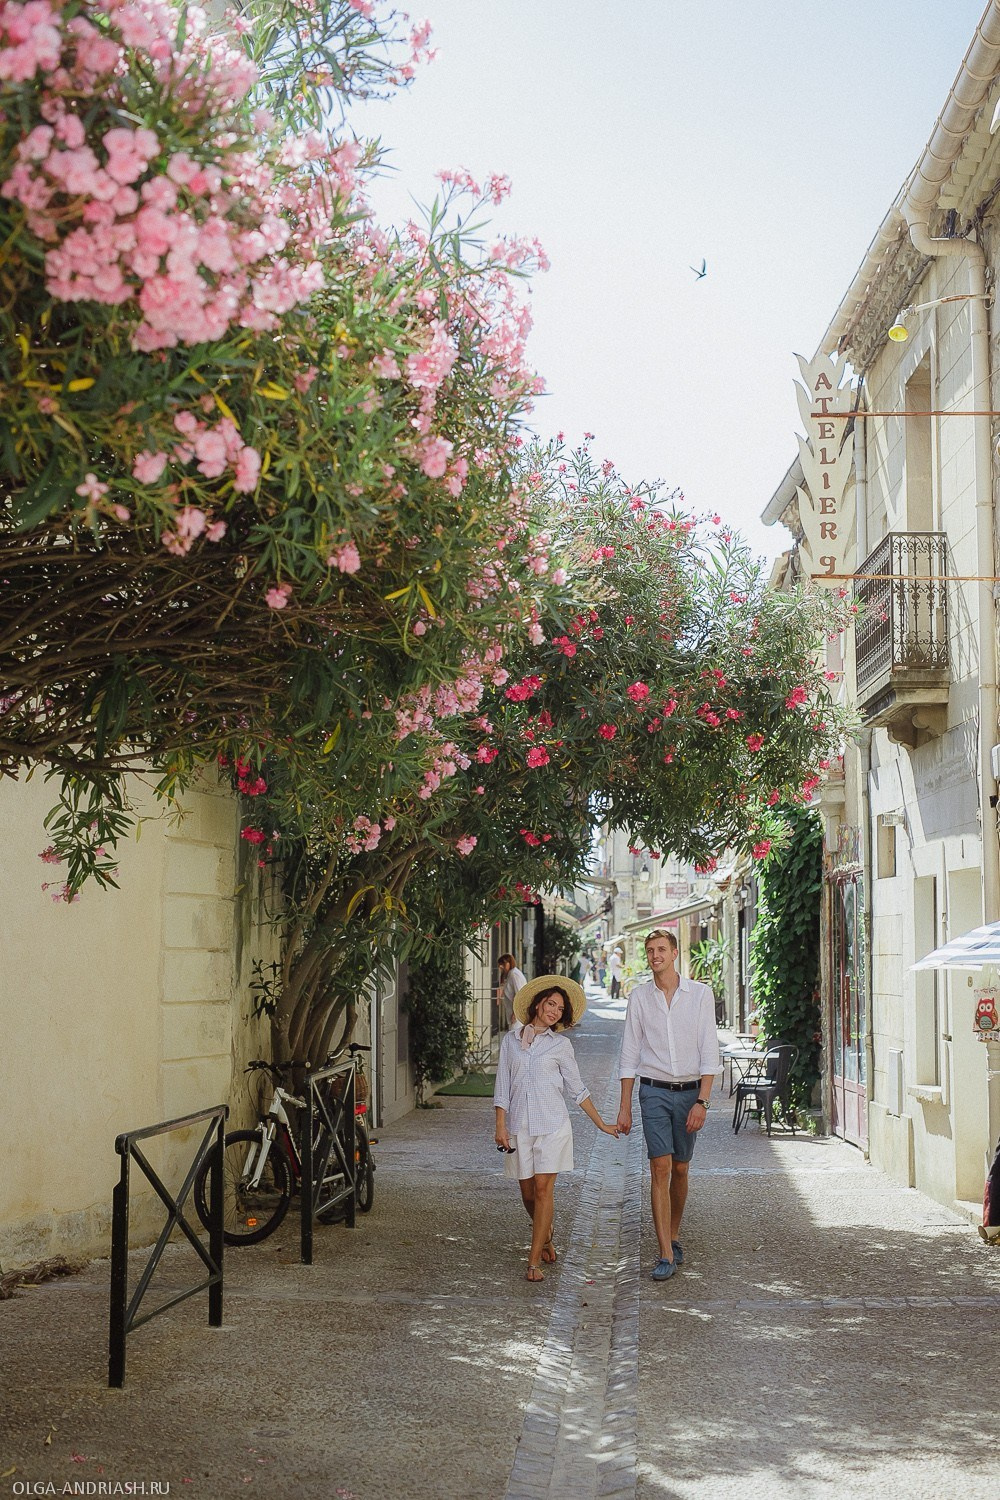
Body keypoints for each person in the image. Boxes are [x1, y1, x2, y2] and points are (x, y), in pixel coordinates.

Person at [494, 975, 619, 1281]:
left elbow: (578, 1090)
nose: (554, 1011)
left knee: (542, 1189)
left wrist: (601, 1122)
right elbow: (502, 1086)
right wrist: (500, 1125)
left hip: (553, 1126)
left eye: (560, 1009)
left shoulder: (561, 1046)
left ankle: (533, 1261)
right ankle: (547, 1237)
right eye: (551, 1004)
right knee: (527, 1194)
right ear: (537, 1004)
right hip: (519, 1127)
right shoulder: (511, 1042)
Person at [616, 928, 720, 1281]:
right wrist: (625, 1106)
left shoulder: (700, 995)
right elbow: (629, 1053)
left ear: (675, 953)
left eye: (661, 949)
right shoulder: (640, 998)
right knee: (659, 1167)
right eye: (649, 950)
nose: (655, 955)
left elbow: (710, 1051)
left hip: (691, 1093)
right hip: (654, 1092)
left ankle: (673, 1234)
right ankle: (663, 1252)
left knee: (680, 1169)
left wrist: (703, 1101)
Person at [497, 952, 527, 1028]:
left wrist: (515, 1013)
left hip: (516, 1014)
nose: (501, 967)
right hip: (511, 1011)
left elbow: (519, 993)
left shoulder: (514, 974)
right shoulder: (510, 974)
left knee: (515, 1034)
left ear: (509, 963)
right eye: (500, 964)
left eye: (503, 964)